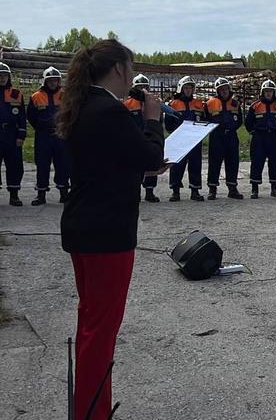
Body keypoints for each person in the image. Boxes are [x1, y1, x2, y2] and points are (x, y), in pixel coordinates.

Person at [57, 39, 165, 420]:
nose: (134, 76)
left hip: (84, 226)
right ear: (118, 68)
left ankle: (89, 406)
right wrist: (152, 119)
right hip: (107, 234)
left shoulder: (86, 105)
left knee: (91, 324)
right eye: (131, 68)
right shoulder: (109, 110)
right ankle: (91, 412)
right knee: (100, 332)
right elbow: (149, 153)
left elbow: (116, 160)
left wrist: (143, 161)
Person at [26, 66, 71, 206]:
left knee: (63, 164)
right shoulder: (36, 96)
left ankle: (64, 193)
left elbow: (71, 113)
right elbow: (31, 116)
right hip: (43, 136)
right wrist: (41, 127)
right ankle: (41, 194)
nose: (53, 83)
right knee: (42, 164)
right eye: (50, 80)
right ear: (45, 81)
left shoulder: (65, 96)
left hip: (61, 135)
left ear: (59, 81)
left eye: (55, 80)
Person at [165, 76, 206, 202]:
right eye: (186, 88)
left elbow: (204, 120)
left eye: (190, 88)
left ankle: (195, 191)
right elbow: (168, 124)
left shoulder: (199, 104)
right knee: (177, 166)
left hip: (194, 141)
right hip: (180, 141)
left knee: (195, 165)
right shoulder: (173, 104)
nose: (188, 90)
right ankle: (175, 192)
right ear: (181, 89)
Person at [123, 74, 161, 203]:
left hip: (148, 136)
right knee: (134, 167)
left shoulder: (153, 102)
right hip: (134, 138)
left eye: (145, 87)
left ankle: (150, 192)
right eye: (139, 87)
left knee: (151, 164)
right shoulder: (127, 104)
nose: (143, 90)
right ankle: (135, 192)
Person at [205, 77, 243, 200]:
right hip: (217, 137)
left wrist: (231, 128)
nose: (223, 91)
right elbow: (206, 119)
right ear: (217, 91)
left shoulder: (235, 103)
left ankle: (232, 188)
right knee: (214, 163)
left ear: (229, 88)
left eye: (225, 88)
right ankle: (212, 189)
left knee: (232, 162)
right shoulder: (210, 103)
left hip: (231, 136)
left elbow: (239, 120)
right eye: (220, 89)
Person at [245, 79, 276, 199]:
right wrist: (254, 132)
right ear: (262, 92)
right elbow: (248, 123)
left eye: (270, 91)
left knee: (274, 163)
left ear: (274, 93)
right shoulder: (255, 106)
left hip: (273, 136)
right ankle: (254, 189)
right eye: (266, 91)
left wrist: (275, 128)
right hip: (259, 137)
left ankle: (275, 188)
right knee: (257, 162)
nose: (268, 93)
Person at [0, 62, 26, 206]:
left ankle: (14, 195)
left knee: (15, 165)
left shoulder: (16, 93)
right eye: (0, 75)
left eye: (4, 75)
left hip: (11, 134)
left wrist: (21, 135)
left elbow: (22, 116)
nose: (2, 78)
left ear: (9, 77)